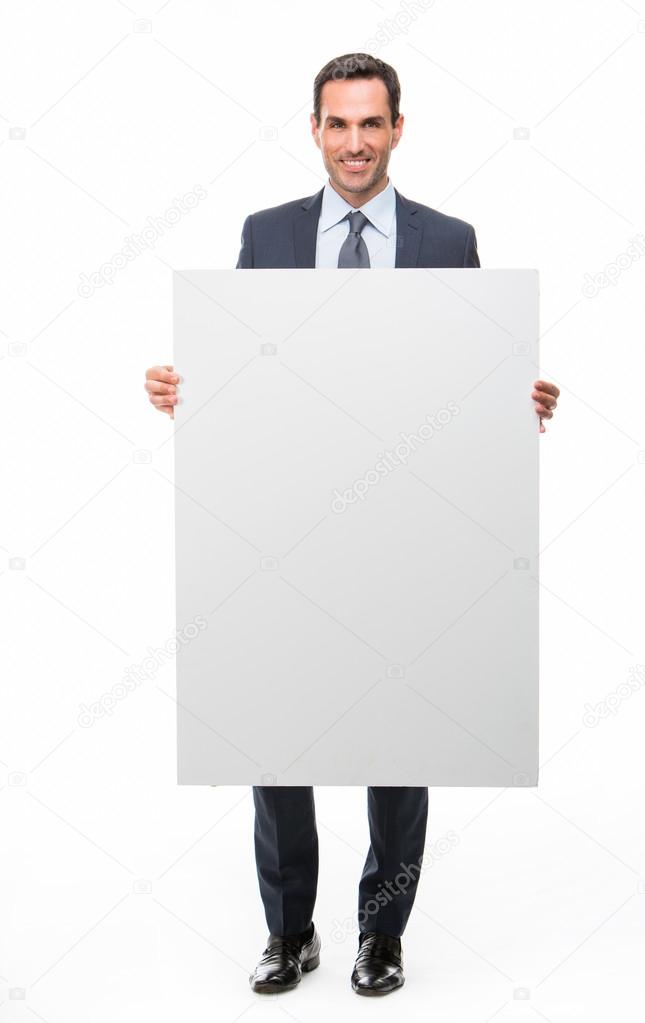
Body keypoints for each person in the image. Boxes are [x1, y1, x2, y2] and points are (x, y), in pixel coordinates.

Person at [144, 52, 560, 998]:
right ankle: (289, 931)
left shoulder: (450, 240)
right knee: (275, 731)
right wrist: (188, 388)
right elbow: (250, 377)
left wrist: (516, 398)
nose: (356, 142)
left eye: (372, 124)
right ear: (315, 129)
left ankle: (383, 934)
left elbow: (470, 377)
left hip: (409, 529)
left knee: (402, 734)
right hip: (286, 522)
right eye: (339, 124)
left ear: (399, 129)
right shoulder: (268, 233)